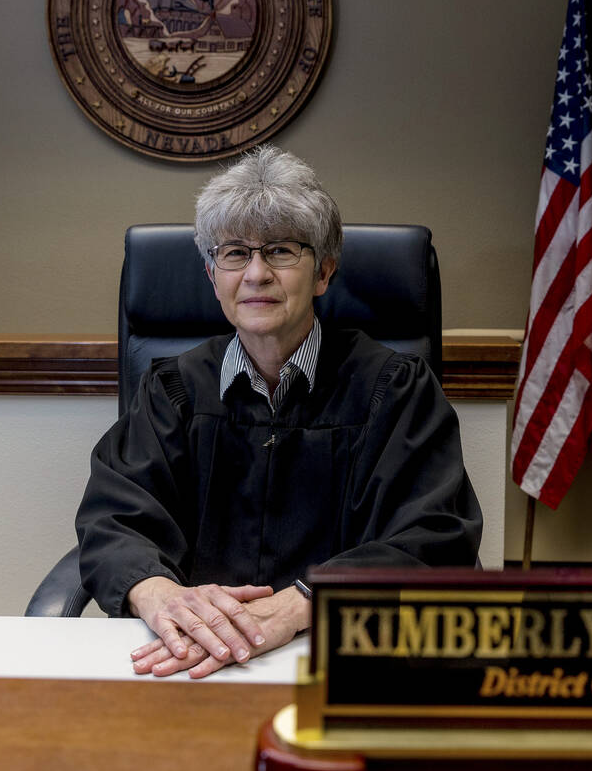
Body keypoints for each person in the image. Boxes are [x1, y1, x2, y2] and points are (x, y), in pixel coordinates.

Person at [75, 146, 482, 679]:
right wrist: (158, 595)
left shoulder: (394, 390)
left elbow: (434, 532)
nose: (257, 274)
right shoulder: (171, 391)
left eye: (282, 251)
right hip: (192, 664)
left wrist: (302, 603)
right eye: (235, 253)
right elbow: (114, 517)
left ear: (324, 272)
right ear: (211, 274)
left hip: (346, 658)